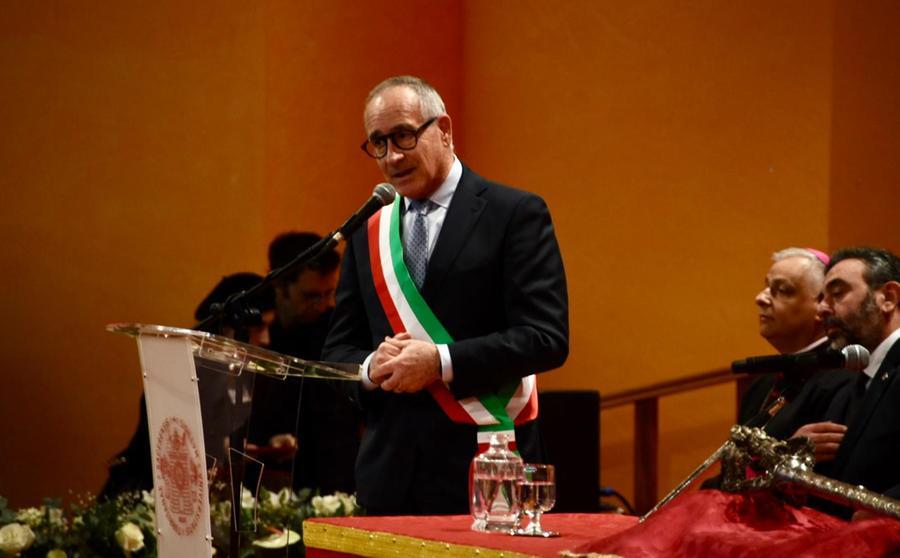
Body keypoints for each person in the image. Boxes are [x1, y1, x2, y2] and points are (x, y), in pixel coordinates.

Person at [322, 75, 569, 515]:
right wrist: (368, 368)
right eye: (378, 143)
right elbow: (338, 349)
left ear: (444, 130)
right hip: (390, 476)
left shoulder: (514, 214)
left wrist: (439, 362)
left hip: (485, 464)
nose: (392, 155)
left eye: (404, 135)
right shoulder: (368, 231)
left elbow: (546, 338)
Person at [100, 273, 275, 498]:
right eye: (260, 328)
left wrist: (264, 446)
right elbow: (174, 439)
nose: (267, 339)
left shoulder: (245, 374)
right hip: (158, 491)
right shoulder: (186, 368)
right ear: (231, 326)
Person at [247, 232, 361, 494]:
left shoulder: (340, 331)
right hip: (270, 484)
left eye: (329, 293)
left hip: (335, 480)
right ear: (279, 286)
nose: (324, 304)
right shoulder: (259, 338)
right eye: (311, 296)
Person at [809, 247, 900, 515]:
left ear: (888, 297)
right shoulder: (850, 389)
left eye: (837, 294)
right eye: (822, 298)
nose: (822, 309)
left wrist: (884, 508)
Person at [738, 248, 855, 442]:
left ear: (821, 305)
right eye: (766, 286)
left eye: (782, 290)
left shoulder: (845, 379)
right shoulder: (759, 385)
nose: (760, 298)